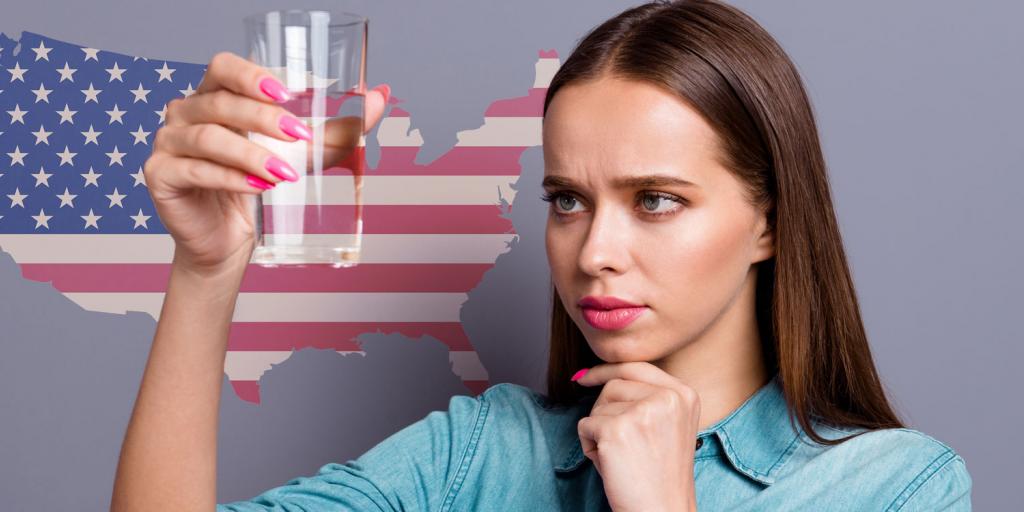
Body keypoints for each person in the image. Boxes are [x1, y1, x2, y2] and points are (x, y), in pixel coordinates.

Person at [110, 0, 973, 510]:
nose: (595, 252)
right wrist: (206, 270)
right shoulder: (481, 453)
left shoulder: (896, 486)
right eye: (567, 200)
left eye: (656, 200)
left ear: (769, 223)